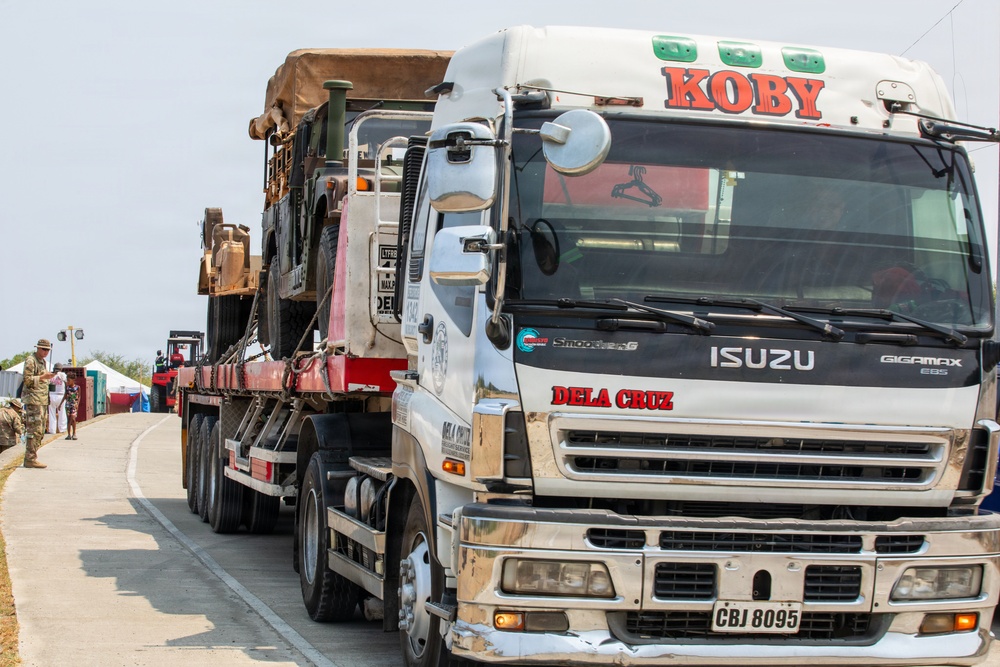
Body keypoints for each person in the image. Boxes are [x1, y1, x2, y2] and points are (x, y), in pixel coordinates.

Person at [22, 338, 55, 468]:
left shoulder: (43, 362)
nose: (46, 352)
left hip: (42, 400)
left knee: (40, 430)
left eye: (48, 350)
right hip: (33, 400)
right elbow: (27, 380)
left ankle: (33, 456)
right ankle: (30, 458)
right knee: (34, 430)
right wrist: (42, 377)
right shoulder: (31, 360)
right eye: (43, 349)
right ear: (38, 348)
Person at [48, 362, 68, 434]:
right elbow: (67, 382)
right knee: (62, 413)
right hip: (61, 396)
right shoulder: (62, 375)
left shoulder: (51, 375)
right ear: (61, 369)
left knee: (51, 413)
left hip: (51, 395)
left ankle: (52, 430)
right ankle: (62, 429)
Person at [61, 374, 80, 440]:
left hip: (74, 405)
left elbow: (79, 396)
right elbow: (65, 396)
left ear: (73, 380)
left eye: (69, 380)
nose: (68, 381)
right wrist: (60, 404)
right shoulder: (67, 388)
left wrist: (77, 404)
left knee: (73, 419)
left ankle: (74, 433)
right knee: (68, 419)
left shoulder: (77, 387)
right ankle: (69, 434)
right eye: (67, 380)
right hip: (68, 405)